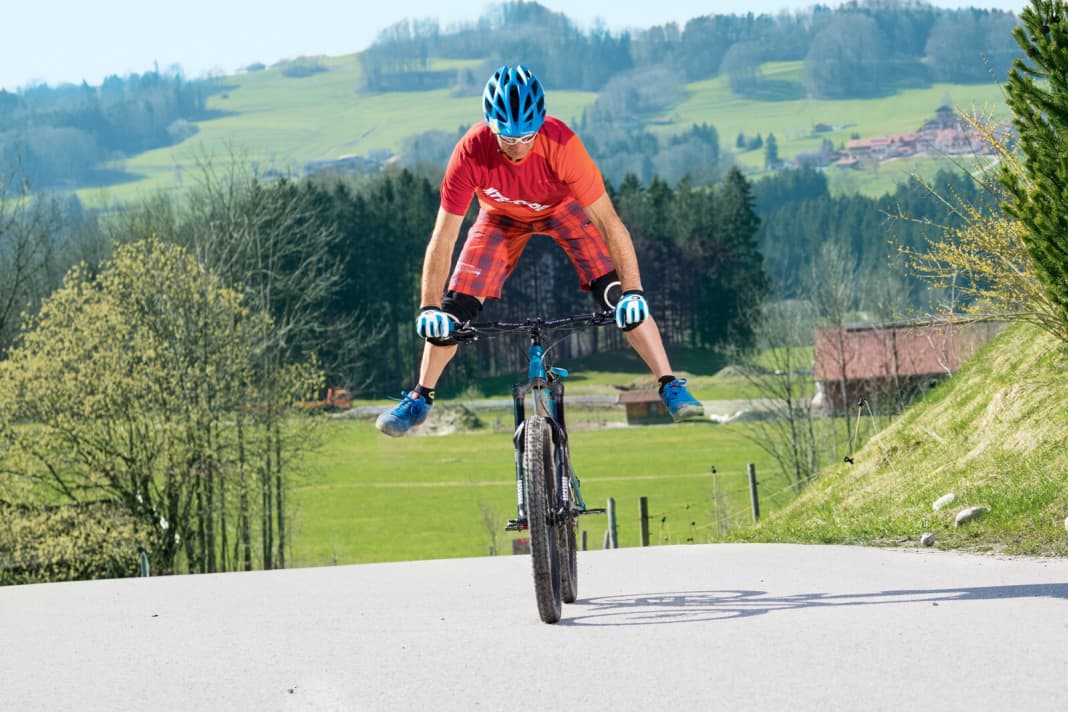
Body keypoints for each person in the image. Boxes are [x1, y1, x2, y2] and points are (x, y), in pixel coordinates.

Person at [376, 64, 703, 437]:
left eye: (526, 136)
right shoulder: (470, 152)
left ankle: (669, 384)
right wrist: (429, 306)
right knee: (452, 312)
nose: (517, 147)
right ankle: (420, 397)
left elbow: (610, 224)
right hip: (499, 217)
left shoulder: (563, 145)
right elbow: (444, 237)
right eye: (506, 137)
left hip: (562, 209)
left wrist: (634, 291)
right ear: (489, 124)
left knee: (619, 298)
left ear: (541, 123)